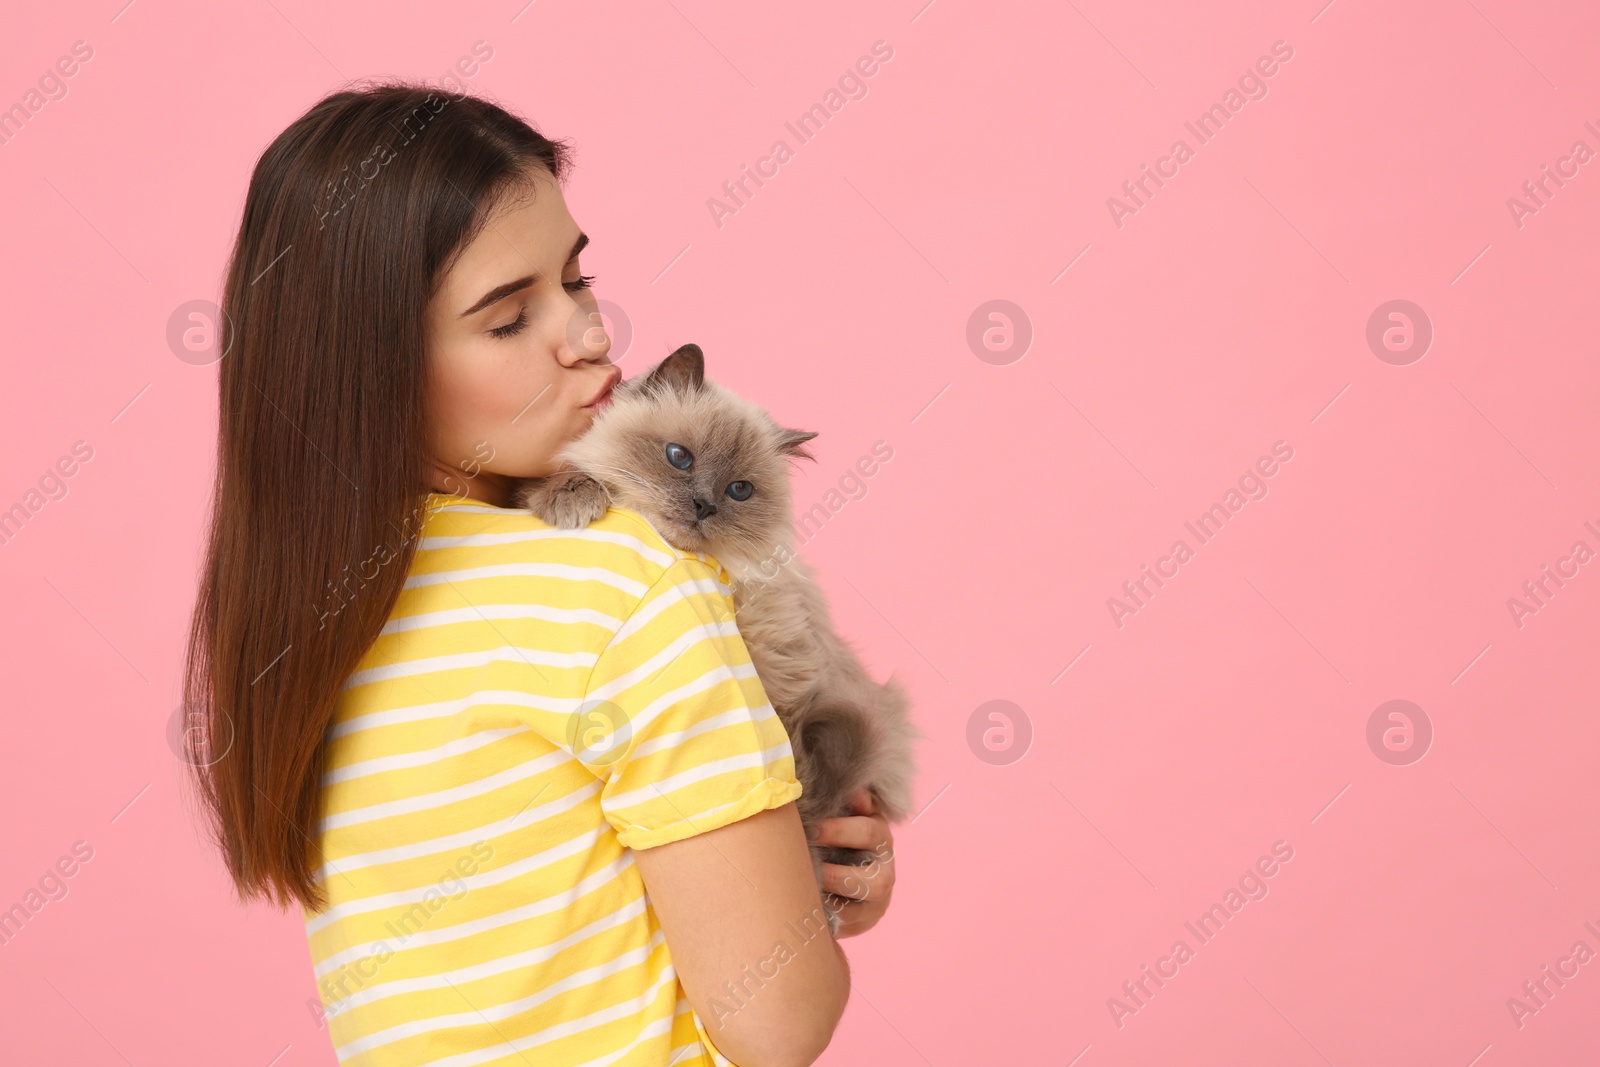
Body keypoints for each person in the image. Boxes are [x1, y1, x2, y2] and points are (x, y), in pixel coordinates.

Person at [180, 81, 897, 1067]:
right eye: (508, 318)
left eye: (576, 278)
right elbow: (777, 1021)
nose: (592, 337)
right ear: (374, 366)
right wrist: (805, 908)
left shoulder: (293, 625)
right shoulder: (621, 582)